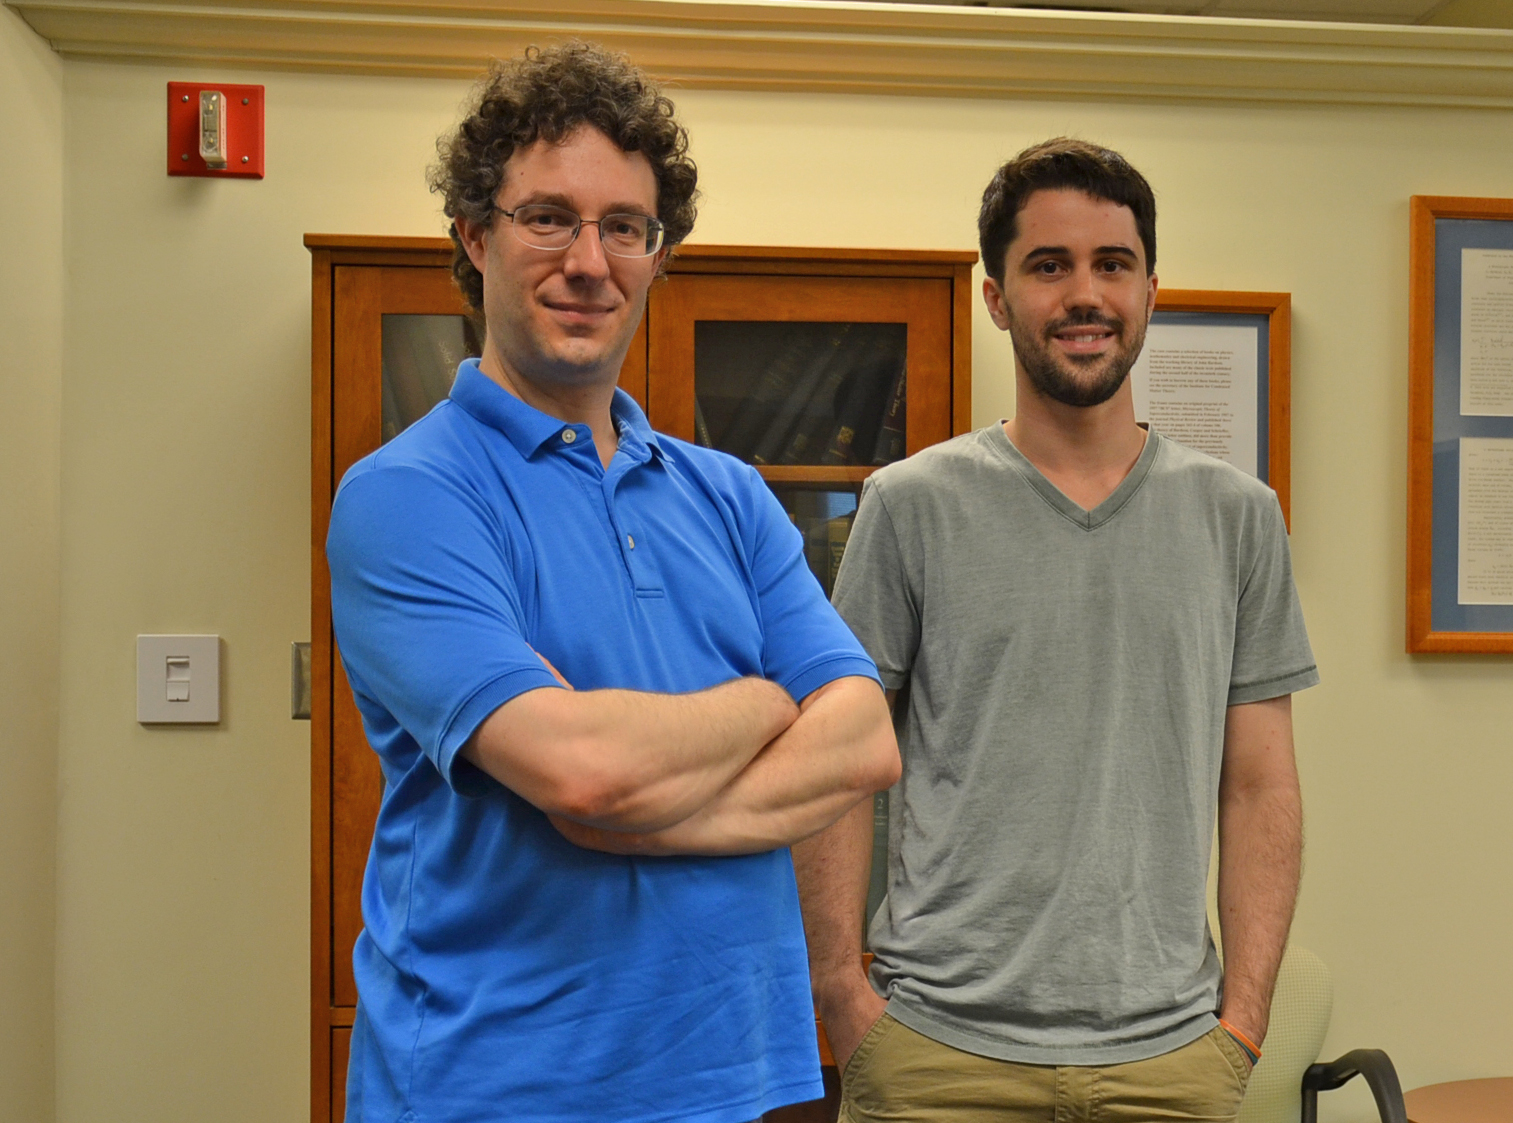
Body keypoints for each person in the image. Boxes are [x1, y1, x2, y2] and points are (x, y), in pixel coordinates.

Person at [326, 42, 900, 1123]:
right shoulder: (409, 495)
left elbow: (865, 740)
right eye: (549, 216)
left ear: (654, 253)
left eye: (625, 227)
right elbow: (584, 772)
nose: (589, 260)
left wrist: (643, 798)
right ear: (474, 235)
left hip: (739, 1079)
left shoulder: (728, 493)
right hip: (495, 1087)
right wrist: (769, 701)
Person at [797, 137, 1318, 1122]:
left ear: (1151, 291)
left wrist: (1241, 1023)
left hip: (1170, 1065)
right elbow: (836, 766)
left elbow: (1260, 785)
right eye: (1050, 265)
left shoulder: (1238, 517)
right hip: (937, 1059)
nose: (1086, 294)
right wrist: (843, 995)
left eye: (1112, 265)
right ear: (997, 297)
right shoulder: (909, 506)